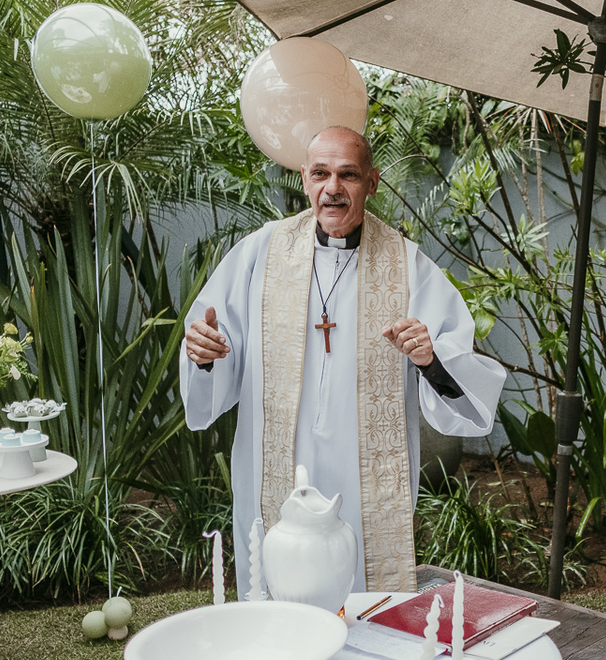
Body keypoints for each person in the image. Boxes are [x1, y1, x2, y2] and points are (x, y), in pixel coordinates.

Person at [181, 126, 506, 597]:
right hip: (279, 458)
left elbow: (457, 363)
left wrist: (429, 358)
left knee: (361, 590)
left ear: (371, 183)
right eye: (321, 174)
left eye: (348, 175)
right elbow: (214, 337)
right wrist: (205, 354)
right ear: (304, 179)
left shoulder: (406, 264)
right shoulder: (261, 252)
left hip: (364, 475)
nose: (332, 188)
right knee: (280, 591)